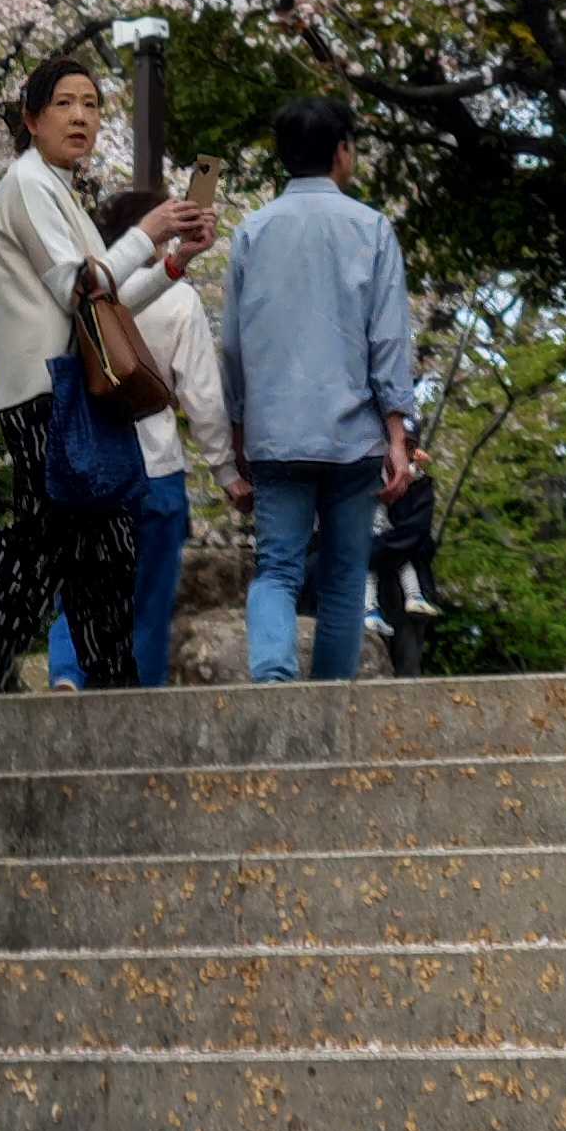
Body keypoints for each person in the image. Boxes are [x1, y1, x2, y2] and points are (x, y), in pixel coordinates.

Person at [0, 49, 146, 694]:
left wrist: (165, 267)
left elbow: (106, 302)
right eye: (64, 104)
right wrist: (148, 233)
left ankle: (114, 685)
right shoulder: (28, 183)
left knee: (103, 546)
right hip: (46, 393)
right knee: (40, 542)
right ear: (31, 118)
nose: (81, 116)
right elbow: (77, 286)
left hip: (66, 389)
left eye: (91, 104)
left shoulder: (58, 189)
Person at [219, 91, 418, 687]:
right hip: (351, 436)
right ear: (342, 152)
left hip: (275, 434)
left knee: (275, 569)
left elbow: (232, 345)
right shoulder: (372, 229)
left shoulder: (251, 233)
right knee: (342, 575)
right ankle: (329, 705)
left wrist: (236, 434)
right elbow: (388, 342)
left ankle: (274, 681)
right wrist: (398, 437)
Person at [52, 178, 234, 693]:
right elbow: (203, 398)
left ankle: (68, 673)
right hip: (156, 472)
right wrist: (225, 471)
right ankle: (141, 705)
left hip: (87, 464)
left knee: (80, 583)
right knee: (149, 605)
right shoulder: (179, 302)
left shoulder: (77, 296)